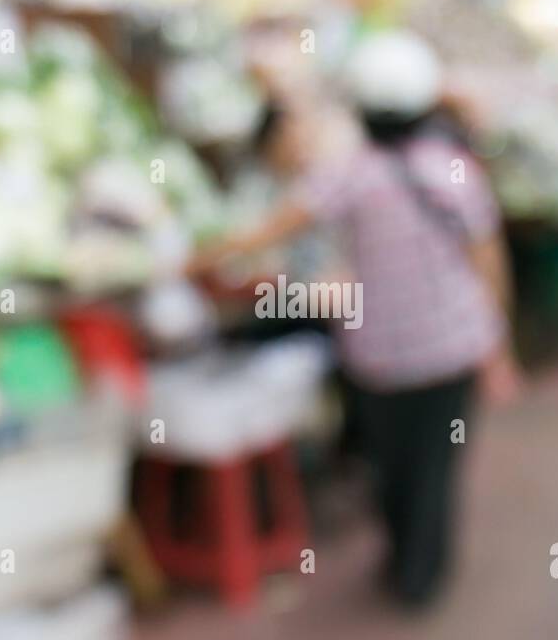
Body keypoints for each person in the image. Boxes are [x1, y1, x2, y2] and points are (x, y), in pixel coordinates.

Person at [189, 30, 520, 607]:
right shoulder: (454, 170)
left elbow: (269, 230)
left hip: (378, 357)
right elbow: (488, 261)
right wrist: (497, 343)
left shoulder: (349, 173)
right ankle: (421, 574)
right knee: (435, 467)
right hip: (450, 350)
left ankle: (405, 565)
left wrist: (197, 258)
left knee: (390, 464)